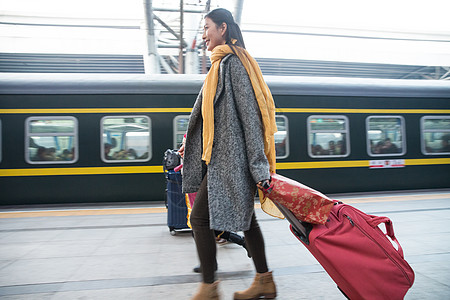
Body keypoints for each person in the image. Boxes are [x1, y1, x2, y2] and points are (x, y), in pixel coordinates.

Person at [179, 8, 280, 300]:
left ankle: (210, 287)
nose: (204, 34)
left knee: (199, 219)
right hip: (221, 159)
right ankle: (264, 280)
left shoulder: (233, 64)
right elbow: (211, 116)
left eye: (207, 27)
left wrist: (259, 167)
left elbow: (250, 117)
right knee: (246, 220)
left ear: (223, 28)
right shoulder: (219, 65)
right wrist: (193, 143)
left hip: (232, 162)